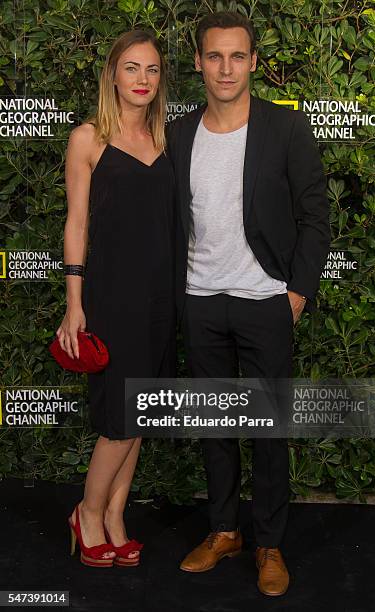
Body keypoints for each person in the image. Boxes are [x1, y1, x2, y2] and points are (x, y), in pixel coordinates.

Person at [167, 12, 330, 595]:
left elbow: (316, 215)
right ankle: (222, 531)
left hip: (265, 301)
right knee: (215, 426)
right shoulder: (180, 132)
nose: (226, 68)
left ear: (254, 62)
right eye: (214, 56)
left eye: (237, 56)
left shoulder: (284, 130)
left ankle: (268, 543)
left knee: (267, 431)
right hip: (201, 301)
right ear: (199, 63)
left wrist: (296, 294)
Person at [57, 30, 175, 568]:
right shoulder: (89, 139)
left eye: (151, 70)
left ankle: (114, 516)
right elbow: (76, 223)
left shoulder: (169, 139)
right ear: (112, 75)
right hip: (110, 294)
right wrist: (74, 302)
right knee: (120, 417)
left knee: (143, 412)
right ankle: (86, 512)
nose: (142, 80)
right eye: (131, 69)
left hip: (161, 295)